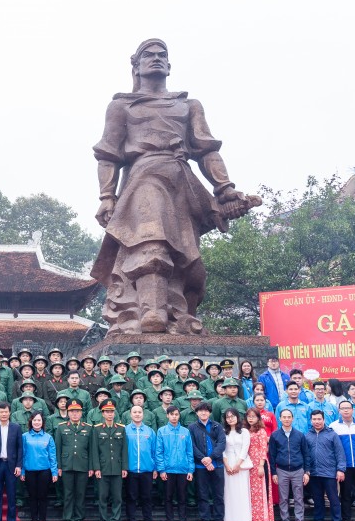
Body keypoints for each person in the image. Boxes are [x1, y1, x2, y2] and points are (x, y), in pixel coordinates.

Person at [90, 38, 255, 335]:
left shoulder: (188, 105)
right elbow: (108, 154)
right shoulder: (121, 106)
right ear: (136, 65)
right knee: (152, 242)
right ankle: (150, 311)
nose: (156, 59)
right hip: (144, 177)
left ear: (169, 65)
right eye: (148, 55)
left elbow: (206, 150)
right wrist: (106, 196)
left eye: (161, 55)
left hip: (182, 183)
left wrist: (224, 189)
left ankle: (177, 314)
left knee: (188, 262)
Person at [269, 408, 310, 521]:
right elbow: (272, 455)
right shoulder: (275, 435)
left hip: (298, 470)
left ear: (292, 418)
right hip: (281, 470)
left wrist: (307, 471)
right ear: (280, 419)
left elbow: (306, 454)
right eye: (284, 417)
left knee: (298, 497)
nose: (286, 419)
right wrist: (274, 472)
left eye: (289, 417)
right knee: (283, 498)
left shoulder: (299, 435)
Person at [188, 401, 227, 521]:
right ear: (197, 412)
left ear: (210, 412)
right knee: (203, 494)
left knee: (218, 494)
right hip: (200, 466)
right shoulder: (192, 427)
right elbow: (191, 446)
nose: (203, 413)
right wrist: (204, 459)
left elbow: (222, 443)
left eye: (206, 410)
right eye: (200, 410)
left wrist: (211, 458)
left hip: (217, 464)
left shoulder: (217, 426)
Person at [53, 400, 91, 521]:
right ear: (68, 413)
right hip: (66, 465)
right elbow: (58, 448)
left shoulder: (88, 427)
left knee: (80, 494)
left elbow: (91, 450)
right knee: (68, 494)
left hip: (83, 465)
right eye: (72, 411)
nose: (75, 414)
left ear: (81, 413)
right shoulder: (61, 427)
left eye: (77, 411)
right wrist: (58, 466)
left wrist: (90, 467)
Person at [155, 405, 194, 521]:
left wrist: (190, 470)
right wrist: (161, 469)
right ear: (167, 415)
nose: (174, 417)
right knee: (168, 497)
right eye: (172, 414)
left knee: (183, 497)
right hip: (168, 470)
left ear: (179, 415)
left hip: (183, 469)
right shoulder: (162, 431)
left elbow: (189, 451)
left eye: (176, 414)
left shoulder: (185, 431)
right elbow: (159, 452)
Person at [90, 399, 127, 521]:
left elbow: (124, 450)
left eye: (112, 411)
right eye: (107, 412)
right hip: (103, 469)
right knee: (103, 497)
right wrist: (96, 468)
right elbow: (94, 450)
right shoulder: (97, 429)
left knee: (117, 497)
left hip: (117, 468)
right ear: (102, 413)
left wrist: (124, 467)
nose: (110, 414)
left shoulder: (121, 429)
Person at [306, 409, 345, 521]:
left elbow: (340, 453)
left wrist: (340, 469)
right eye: (314, 419)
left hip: (329, 472)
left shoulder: (332, 434)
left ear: (324, 420)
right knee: (317, 500)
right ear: (311, 420)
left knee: (333, 499)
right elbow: (305, 455)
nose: (317, 421)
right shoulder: (307, 435)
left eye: (319, 419)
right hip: (314, 473)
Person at [19, 410, 55, 521]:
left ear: (42, 422)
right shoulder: (25, 437)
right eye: (34, 420)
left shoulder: (48, 437)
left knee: (43, 497)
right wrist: (22, 471)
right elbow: (22, 455)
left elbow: (52, 456)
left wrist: (54, 472)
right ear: (31, 422)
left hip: (44, 471)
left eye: (39, 420)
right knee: (32, 497)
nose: (37, 422)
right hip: (30, 471)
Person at [124, 405, 157, 521]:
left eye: (139, 412)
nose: (137, 414)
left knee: (147, 497)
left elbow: (154, 451)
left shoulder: (149, 431)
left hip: (147, 470)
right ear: (130, 414)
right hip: (131, 470)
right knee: (131, 497)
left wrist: (155, 468)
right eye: (135, 412)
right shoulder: (125, 430)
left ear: (143, 414)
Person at [245, 407, 275, 521]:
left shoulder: (261, 431)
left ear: (258, 417)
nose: (251, 418)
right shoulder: (245, 430)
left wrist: (261, 465)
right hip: (248, 465)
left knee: (262, 493)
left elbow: (264, 448)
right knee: (251, 494)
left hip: (259, 464)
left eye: (254, 416)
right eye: (249, 416)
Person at [221, 409, 251, 521]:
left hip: (241, 465)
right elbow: (222, 449)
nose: (230, 419)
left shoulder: (244, 431)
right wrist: (227, 465)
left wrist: (238, 464)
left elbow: (245, 448)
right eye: (228, 417)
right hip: (228, 465)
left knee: (242, 492)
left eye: (232, 416)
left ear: (238, 417)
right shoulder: (223, 432)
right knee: (230, 493)